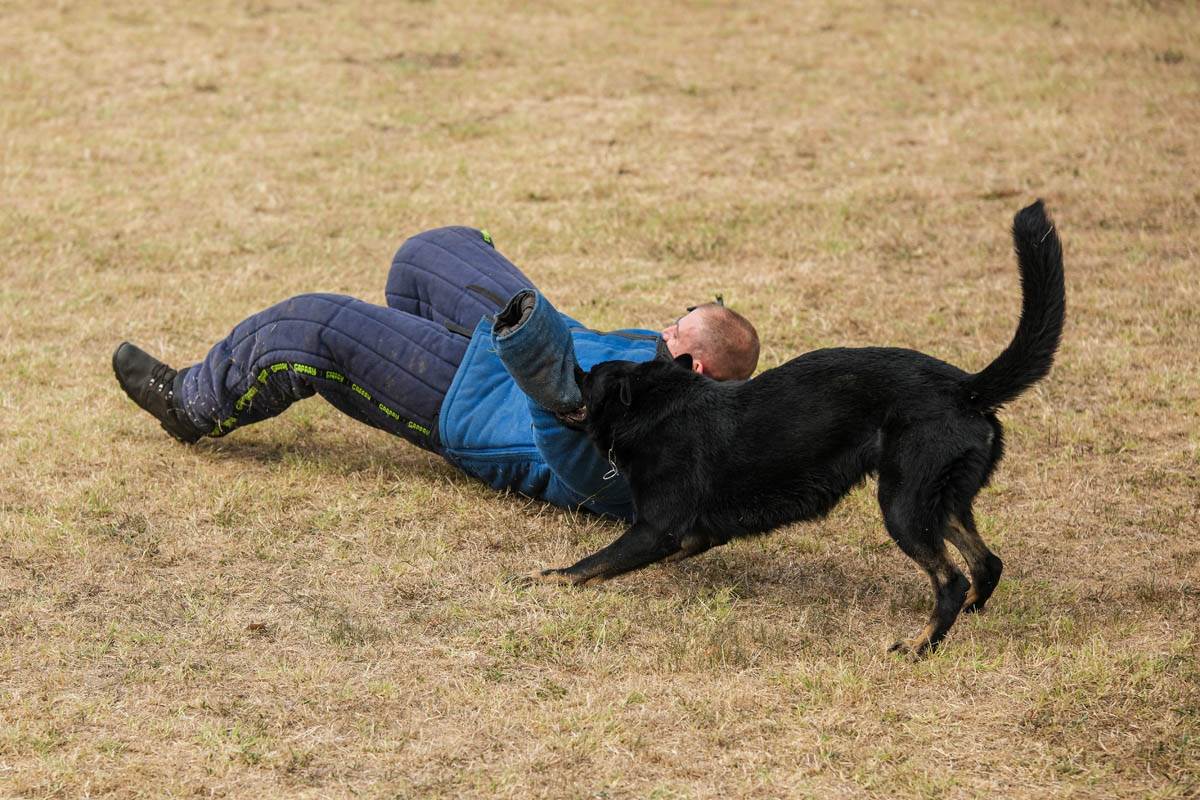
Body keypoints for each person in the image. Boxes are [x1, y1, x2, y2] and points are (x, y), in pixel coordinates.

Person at [113, 226, 759, 520]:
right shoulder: (678, 372)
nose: (664, 328)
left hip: (475, 404)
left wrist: (554, 393)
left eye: (677, 329)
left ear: (694, 365)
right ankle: (396, 358)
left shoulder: (665, 452)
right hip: (521, 344)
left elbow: (578, 468)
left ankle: (193, 403)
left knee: (310, 329)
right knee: (423, 257)